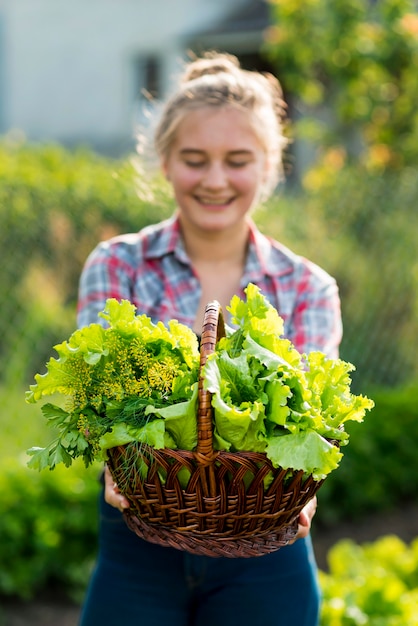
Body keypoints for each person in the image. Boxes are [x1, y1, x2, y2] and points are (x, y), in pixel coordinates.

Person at [77, 52, 342, 626]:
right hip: (139, 533)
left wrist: (304, 486)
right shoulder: (117, 266)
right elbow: (96, 403)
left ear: (269, 167)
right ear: (166, 163)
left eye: (238, 160)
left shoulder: (307, 286)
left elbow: (312, 425)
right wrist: (116, 462)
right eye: (195, 160)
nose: (215, 180)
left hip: (267, 546)